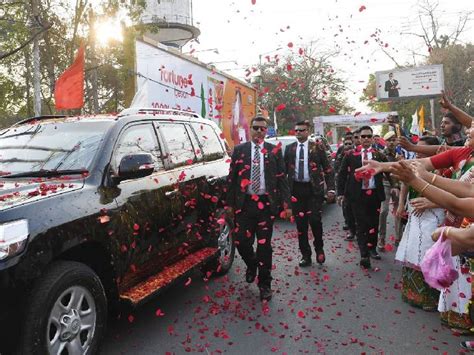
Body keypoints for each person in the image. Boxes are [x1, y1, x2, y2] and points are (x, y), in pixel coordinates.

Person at [226, 116, 292, 301]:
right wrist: (229, 205)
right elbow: (231, 180)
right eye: (256, 128)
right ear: (250, 130)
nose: (259, 131)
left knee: (265, 247)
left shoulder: (274, 151)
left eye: (263, 129)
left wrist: (287, 205)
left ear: (266, 131)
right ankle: (252, 264)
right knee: (241, 242)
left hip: (265, 205)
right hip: (244, 205)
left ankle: (265, 284)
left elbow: (282, 180)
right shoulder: (239, 151)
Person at [392, 136, 445, 310]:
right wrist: (401, 204)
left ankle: (432, 298)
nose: (418, 152)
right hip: (415, 212)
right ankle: (414, 294)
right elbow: (405, 184)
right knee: (413, 249)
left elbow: (453, 195)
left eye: (422, 149)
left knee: (429, 253)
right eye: (416, 149)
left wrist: (431, 203)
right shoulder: (413, 164)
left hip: (435, 214)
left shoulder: (443, 167)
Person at [337, 126, 395, 269]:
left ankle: (372, 248)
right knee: (361, 224)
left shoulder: (379, 155)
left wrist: (395, 186)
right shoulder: (350, 155)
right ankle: (364, 254)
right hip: (357, 195)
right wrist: (340, 194)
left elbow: (388, 171)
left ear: (372, 137)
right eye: (363, 136)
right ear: (359, 138)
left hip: (374, 194)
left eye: (369, 136)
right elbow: (342, 174)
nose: (366, 139)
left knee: (373, 223)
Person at [284, 120, 336, 267]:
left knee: (315, 220)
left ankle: (319, 248)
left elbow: (327, 169)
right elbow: (283, 171)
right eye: (297, 130)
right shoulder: (289, 149)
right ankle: (305, 255)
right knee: (301, 225)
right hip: (296, 190)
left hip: (314, 190)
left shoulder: (317, 148)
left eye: (302, 130)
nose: (299, 132)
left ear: (308, 131)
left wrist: (331, 189)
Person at [377, 131, 401, 251]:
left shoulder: (401, 153)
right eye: (389, 140)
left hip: (400, 185)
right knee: (384, 211)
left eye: (394, 140)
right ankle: (381, 238)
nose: (392, 142)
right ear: (385, 142)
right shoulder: (381, 154)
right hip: (386, 184)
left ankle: (398, 238)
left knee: (399, 211)